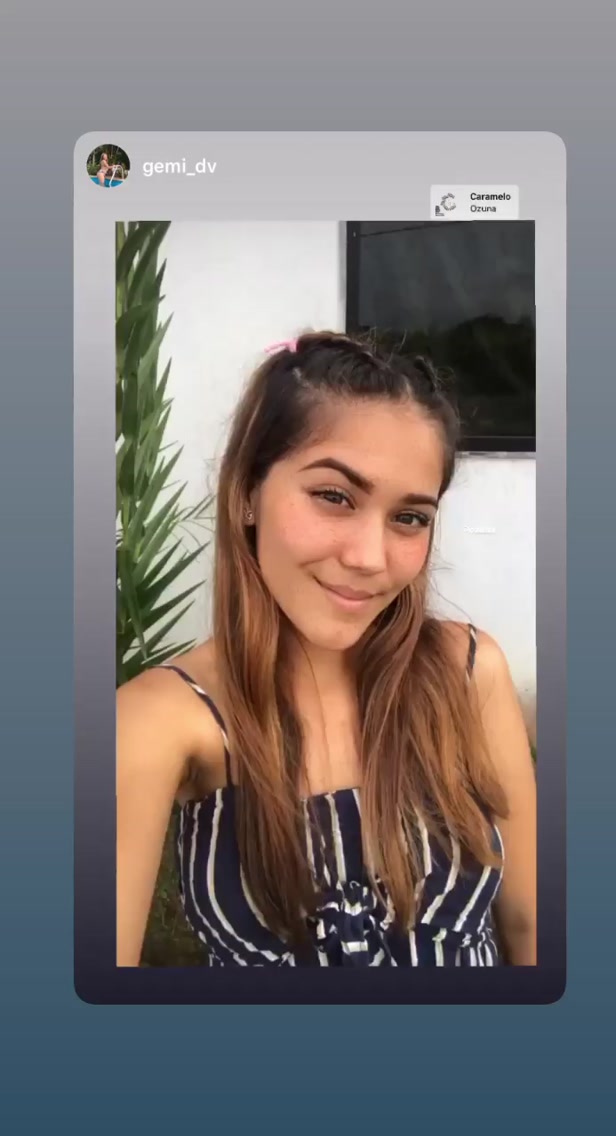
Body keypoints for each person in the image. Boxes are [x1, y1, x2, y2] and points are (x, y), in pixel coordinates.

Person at [116, 330, 537, 967]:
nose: (369, 558)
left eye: (409, 518)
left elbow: (532, 927)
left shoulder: (468, 672)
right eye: (334, 497)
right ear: (247, 493)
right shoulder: (163, 720)